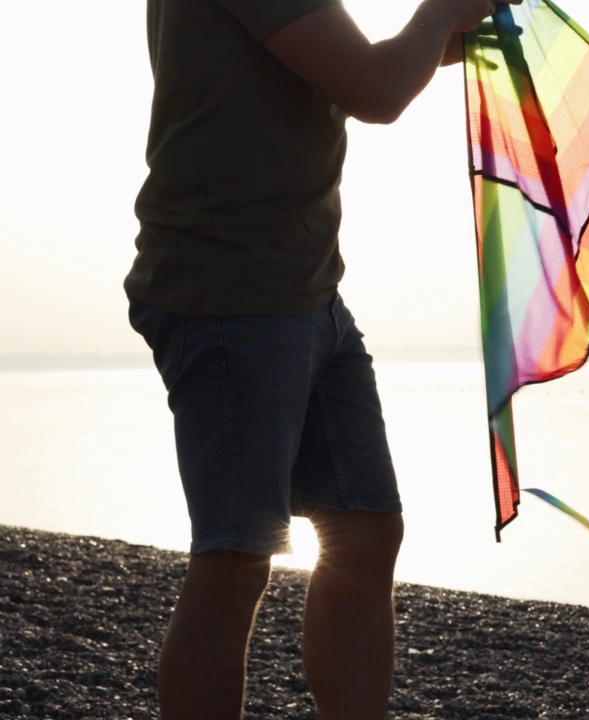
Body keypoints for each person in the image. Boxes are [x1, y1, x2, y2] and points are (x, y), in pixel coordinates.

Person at [123, 0, 520, 717]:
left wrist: (467, 27)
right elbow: (374, 89)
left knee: (366, 530)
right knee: (236, 558)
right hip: (228, 294)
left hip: (307, 293)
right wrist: (439, 14)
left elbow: (363, 66)